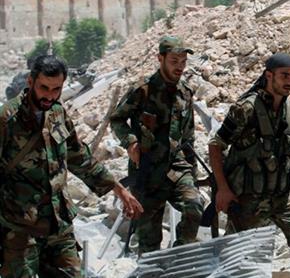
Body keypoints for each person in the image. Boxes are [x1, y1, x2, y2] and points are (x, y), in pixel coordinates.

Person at [0, 55, 143, 278]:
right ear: (31, 82)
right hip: (19, 229)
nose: (49, 95)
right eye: (44, 88)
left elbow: (79, 158)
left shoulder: (57, 113)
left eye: (56, 89)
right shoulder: (7, 118)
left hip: (59, 223)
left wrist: (118, 189)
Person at [208, 53, 290, 278]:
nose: (289, 81)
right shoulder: (245, 109)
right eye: (284, 76)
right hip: (250, 197)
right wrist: (223, 189)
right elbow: (216, 145)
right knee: (238, 255)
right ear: (269, 75)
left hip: (283, 195)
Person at [109, 35, 202, 254]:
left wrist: (193, 173)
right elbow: (117, 119)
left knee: (194, 207)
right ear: (160, 59)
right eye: (174, 61)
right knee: (149, 243)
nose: (180, 67)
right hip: (148, 171)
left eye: (183, 62)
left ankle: (180, 257)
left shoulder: (185, 93)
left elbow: (188, 136)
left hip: (177, 168)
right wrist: (130, 142)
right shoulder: (143, 90)